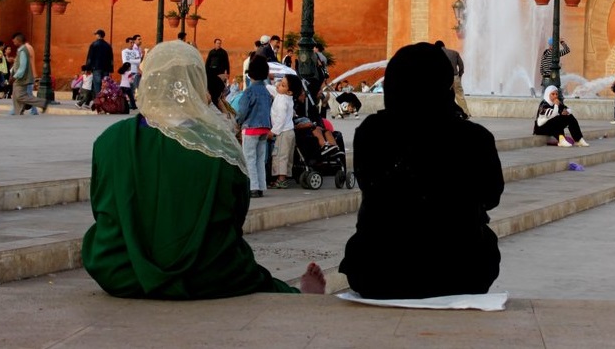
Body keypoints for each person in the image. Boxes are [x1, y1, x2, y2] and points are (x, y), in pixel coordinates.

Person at [80, 41, 325, 299]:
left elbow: (101, 205)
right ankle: (302, 295)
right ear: (197, 83)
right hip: (206, 275)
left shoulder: (110, 141)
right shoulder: (219, 146)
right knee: (242, 267)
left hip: (120, 271)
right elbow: (235, 217)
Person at [339, 42, 504, 299]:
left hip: (377, 272)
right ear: (445, 82)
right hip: (461, 272)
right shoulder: (475, 138)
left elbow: (369, 184)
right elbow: (491, 196)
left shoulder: (371, 132)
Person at [236, 55, 272, 198]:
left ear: (250, 73)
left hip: (251, 128)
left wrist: (238, 122)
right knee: (260, 157)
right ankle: (261, 186)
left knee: (249, 157)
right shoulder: (266, 91)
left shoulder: (249, 91)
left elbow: (243, 111)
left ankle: (253, 187)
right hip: (264, 128)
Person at [9, 33, 48, 115]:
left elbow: (22, 67)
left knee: (20, 96)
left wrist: (14, 77)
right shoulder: (20, 51)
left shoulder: (23, 51)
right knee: (16, 96)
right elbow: (18, 64)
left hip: (21, 79)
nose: (14, 43)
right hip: (19, 78)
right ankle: (18, 112)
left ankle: (42, 103)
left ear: (19, 41)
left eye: (14, 41)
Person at [269, 74, 296, 189]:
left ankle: (281, 180)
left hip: (283, 132)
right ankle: (282, 178)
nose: (278, 86)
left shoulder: (283, 101)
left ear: (289, 92)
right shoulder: (283, 96)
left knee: (280, 155)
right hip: (289, 131)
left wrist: (273, 132)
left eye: (282, 85)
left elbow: (281, 118)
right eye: (280, 83)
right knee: (286, 155)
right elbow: (271, 88)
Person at [436, 40, 469, 118]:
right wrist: (460, 75)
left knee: (442, 96)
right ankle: (466, 113)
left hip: (443, 79)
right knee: (460, 96)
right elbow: (461, 65)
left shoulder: (437, 54)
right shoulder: (454, 53)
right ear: (444, 46)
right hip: (455, 77)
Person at [86, 29, 114, 102]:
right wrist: (111, 69)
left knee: (97, 86)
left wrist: (87, 68)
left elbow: (90, 57)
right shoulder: (108, 45)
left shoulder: (94, 44)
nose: (95, 35)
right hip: (106, 68)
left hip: (96, 68)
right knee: (105, 86)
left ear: (98, 35)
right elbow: (111, 58)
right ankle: (104, 101)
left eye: (96, 34)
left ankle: (98, 102)